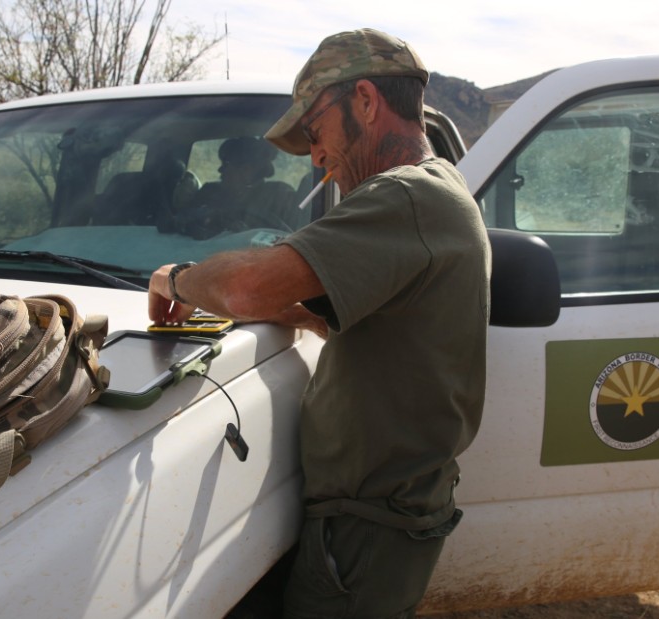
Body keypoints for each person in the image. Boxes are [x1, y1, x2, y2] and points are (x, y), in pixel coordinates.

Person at [147, 28, 490, 618]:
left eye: (315, 130)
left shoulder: (406, 196)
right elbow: (388, 328)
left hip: (365, 528)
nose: (316, 156)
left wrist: (175, 278)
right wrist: (303, 315)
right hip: (376, 517)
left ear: (365, 100)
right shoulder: (436, 191)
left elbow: (245, 286)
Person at [165, 136, 297, 238]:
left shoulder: (280, 196)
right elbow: (181, 222)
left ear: (247, 170)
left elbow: (290, 238)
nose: (220, 170)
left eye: (226, 164)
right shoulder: (209, 192)